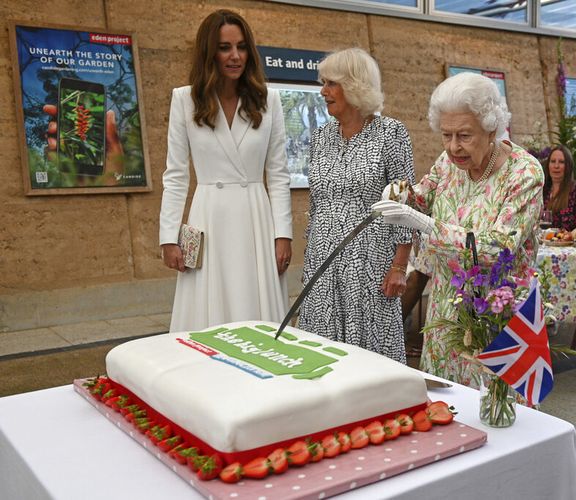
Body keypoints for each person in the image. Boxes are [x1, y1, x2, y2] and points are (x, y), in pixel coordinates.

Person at [373, 72, 544, 388]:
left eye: (464, 135)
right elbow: (423, 195)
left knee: (497, 411)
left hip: (497, 311)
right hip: (446, 307)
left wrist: (425, 225)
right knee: (446, 403)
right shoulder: (448, 161)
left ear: (491, 128)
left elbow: (499, 247)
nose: (453, 147)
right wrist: (398, 193)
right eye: (446, 135)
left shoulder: (524, 173)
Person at [159, 9, 292, 332]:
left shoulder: (268, 100)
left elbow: (278, 174)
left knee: (257, 310)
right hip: (209, 217)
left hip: (255, 219)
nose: (235, 56)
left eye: (242, 47)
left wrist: (282, 234)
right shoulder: (185, 100)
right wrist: (168, 237)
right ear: (209, 52)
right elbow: (176, 175)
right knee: (208, 316)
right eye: (224, 47)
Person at [297, 48, 415, 364]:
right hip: (323, 257)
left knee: (370, 352)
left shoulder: (392, 133)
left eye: (331, 84)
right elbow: (316, 201)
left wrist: (400, 266)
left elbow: (403, 202)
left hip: (370, 262)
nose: (323, 92)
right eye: (323, 84)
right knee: (321, 349)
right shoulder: (321, 136)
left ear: (355, 85)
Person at [543, 145, 576, 236]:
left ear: (568, 166)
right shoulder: (543, 191)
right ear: (548, 165)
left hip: (573, 247)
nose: (556, 166)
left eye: (562, 162)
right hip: (545, 244)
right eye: (553, 161)